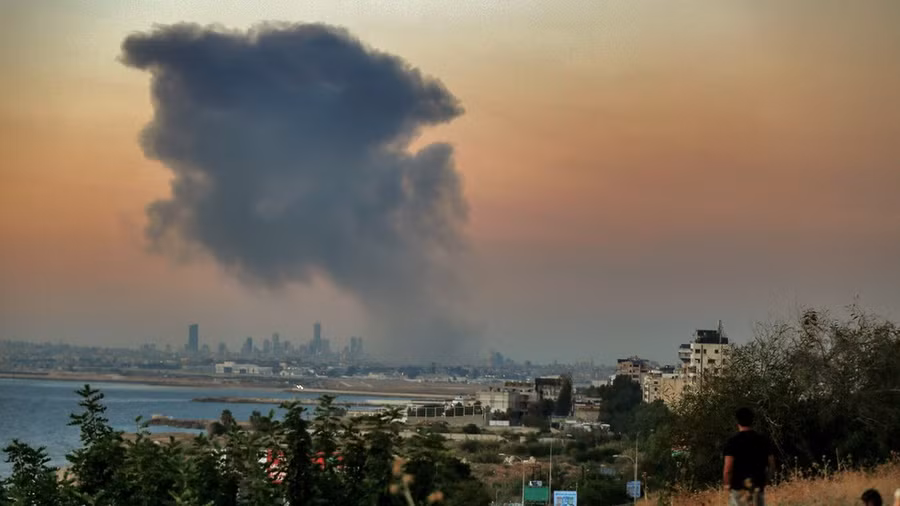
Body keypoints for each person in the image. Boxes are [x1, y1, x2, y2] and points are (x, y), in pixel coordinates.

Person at [723, 407, 775, 506]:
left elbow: (728, 469)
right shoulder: (763, 440)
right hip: (757, 487)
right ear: (752, 420)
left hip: (738, 489)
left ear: (737, 421)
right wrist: (766, 481)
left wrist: (727, 486)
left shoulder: (732, 442)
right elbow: (772, 465)